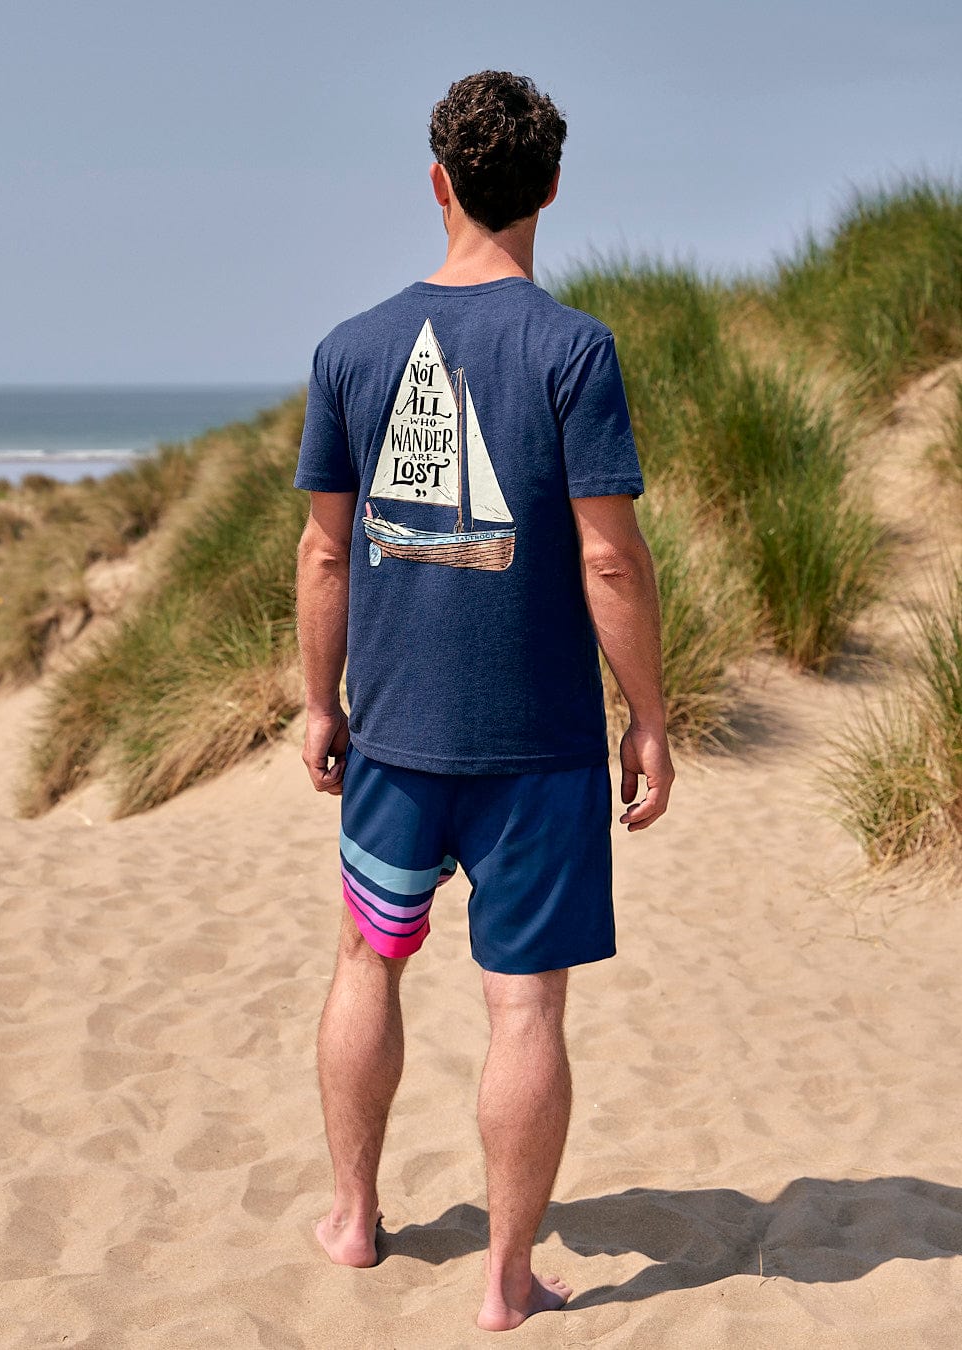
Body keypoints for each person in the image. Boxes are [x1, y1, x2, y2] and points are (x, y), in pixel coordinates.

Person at [293, 70, 674, 1333]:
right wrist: (653, 718)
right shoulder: (572, 349)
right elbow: (610, 558)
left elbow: (326, 553)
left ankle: (355, 1220)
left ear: (439, 181)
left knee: (367, 959)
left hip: (393, 734)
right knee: (526, 1006)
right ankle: (507, 1282)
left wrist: (316, 703)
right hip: (539, 748)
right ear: (552, 189)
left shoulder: (348, 349)